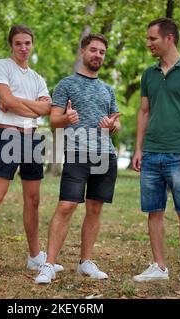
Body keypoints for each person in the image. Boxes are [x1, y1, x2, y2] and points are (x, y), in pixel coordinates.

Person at [0, 24, 63, 281]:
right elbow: (9, 102)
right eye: (18, 43)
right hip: (9, 135)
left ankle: (35, 257)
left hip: (32, 139)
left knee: (33, 200)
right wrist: (26, 105)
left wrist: (17, 103)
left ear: (32, 45)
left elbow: (47, 110)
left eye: (27, 43)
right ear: (11, 45)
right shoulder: (2, 66)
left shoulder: (38, 78)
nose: (23, 48)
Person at [34, 33, 120, 284]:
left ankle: (85, 262)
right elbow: (53, 121)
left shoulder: (108, 89)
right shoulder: (65, 85)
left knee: (95, 208)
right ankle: (48, 264)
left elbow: (116, 123)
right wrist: (66, 119)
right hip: (77, 153)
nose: (98, 55)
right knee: (66, 206)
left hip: (106, 155)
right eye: (93, 50)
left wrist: (111, 126)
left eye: (102, 52)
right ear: (83, 52)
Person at [131, 18, 180, 290]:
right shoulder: (149, 74)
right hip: (151, 153)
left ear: (169, 39)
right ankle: (159, 266)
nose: (148, 43)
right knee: (154, 211)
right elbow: (144, 112)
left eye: (152, 38)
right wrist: (138, 149)